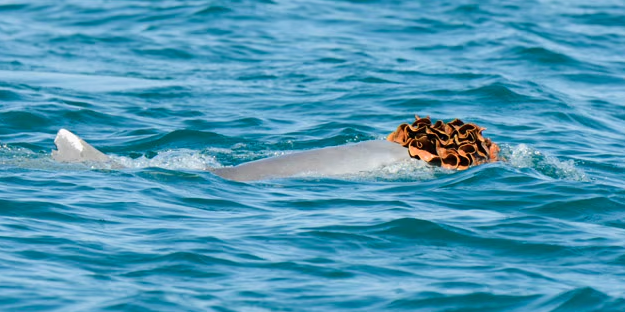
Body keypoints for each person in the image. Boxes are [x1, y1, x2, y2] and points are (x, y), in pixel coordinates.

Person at [52, 116, 500, 182]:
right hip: (225, 188)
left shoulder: (381, 146)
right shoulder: (395, 166)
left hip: (216, 174)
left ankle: (97, 167)